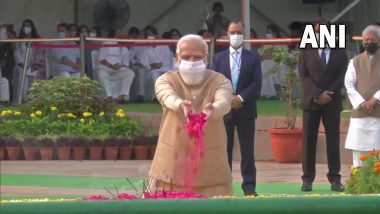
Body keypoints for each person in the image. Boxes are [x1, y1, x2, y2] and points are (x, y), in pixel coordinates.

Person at [149, 34, 233, 197]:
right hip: (170, 167)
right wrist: (180, 104)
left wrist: (213, 109)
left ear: (206, 57)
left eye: (197, 57)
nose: (192, 61)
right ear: (177, 58)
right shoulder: (165, 80)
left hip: (211, 171)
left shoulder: (220, 81)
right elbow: (166, 96)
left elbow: (225, 102)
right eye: (186, 57)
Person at [213, 21, 262, 196]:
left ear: (244, 34)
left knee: (247, 150)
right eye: (233, 32)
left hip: (246, 108)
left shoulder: (253, 58)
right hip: (225, 110)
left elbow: (257, 83)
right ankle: (223, 185)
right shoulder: (218, 58)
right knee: (224, 149)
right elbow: (215, 83)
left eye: (239, 32)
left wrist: (240, 97)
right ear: (227, 34)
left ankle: (249, 186)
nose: (236, 35)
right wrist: (228, 99)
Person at [299, 19, 348, 192]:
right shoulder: (306, 51)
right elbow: (303, 76)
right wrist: (318, 94)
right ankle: (307, 179)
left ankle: (335, 178)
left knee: (333, 141)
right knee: (308, 141)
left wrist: (329, 93)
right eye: (318, 31)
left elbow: (342, 76)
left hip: (332, 102)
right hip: (311, 102)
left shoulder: (340, 52)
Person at [344, 25, 380, 167]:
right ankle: (358, 180)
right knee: (359, 150)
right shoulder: (354, 61)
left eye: (372, 39)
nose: (368, 42)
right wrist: (361, 103)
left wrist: (375, 99)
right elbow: (349, 85)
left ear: (379, 41)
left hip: (378, 112)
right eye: (366, 39)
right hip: (360, 113)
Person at [97, 29, 135, 103]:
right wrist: (111, 66)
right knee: (102, 74)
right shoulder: (107, 42)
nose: (124, 38)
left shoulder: (125, 48)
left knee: (130, 73)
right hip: (106, 68)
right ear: (117, 34)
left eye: (125, 37)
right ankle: (110, 98)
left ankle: (120, 97)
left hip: (118, 70)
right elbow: (101, 59)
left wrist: (119, 66)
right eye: (122, 36)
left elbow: (125, 65)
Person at [13, 19, 45, 100]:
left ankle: (33, 100)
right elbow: (17, 53)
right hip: (21, 65)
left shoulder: (38, 39)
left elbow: (40, 54)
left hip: (35, 65)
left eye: (28, 26)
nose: (26, 28)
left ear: (32, 27)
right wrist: (21, 64)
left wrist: (34, 65)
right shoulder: (20, 40)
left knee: (34, 79)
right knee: (22, 76)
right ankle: (22, 99)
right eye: (24, 26)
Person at [0, 23, 16, 102]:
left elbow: (14, 45)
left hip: (8, 62)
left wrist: (6, 31)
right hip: (2, 61)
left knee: (7, 80)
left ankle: (8, 100)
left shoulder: (11, 34)